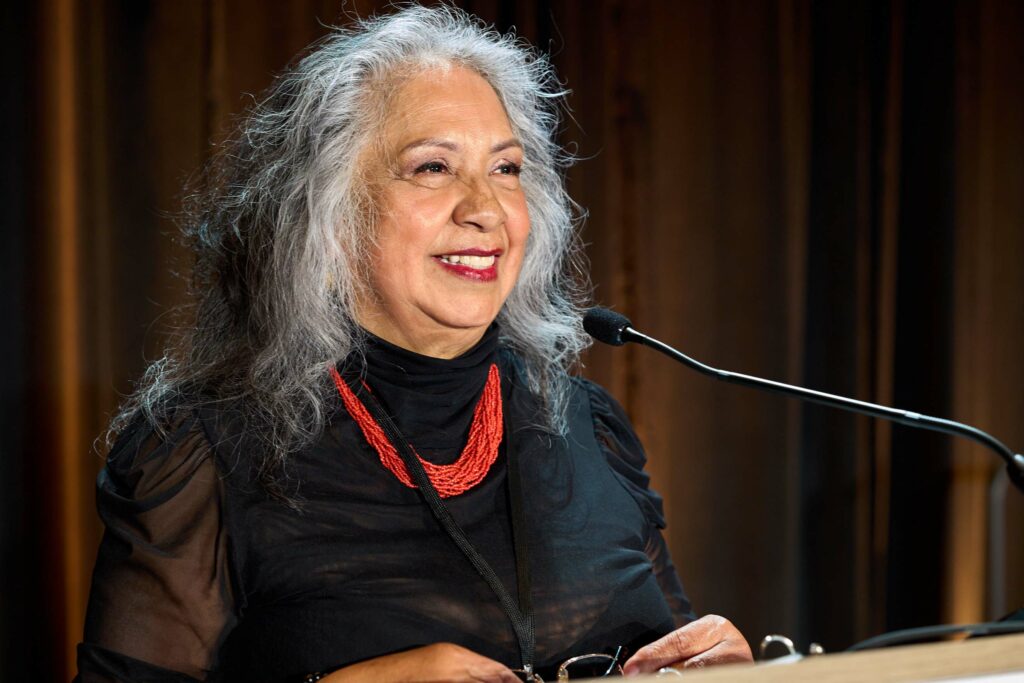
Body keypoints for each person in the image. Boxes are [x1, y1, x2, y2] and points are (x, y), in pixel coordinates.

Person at [76, 6, 752, 682]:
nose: (483, 209)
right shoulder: (204, 454)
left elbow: (674, 660)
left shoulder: (590, 429)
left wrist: (727, 674)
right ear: (331, 214)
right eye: (433, 167)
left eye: (506, 169)